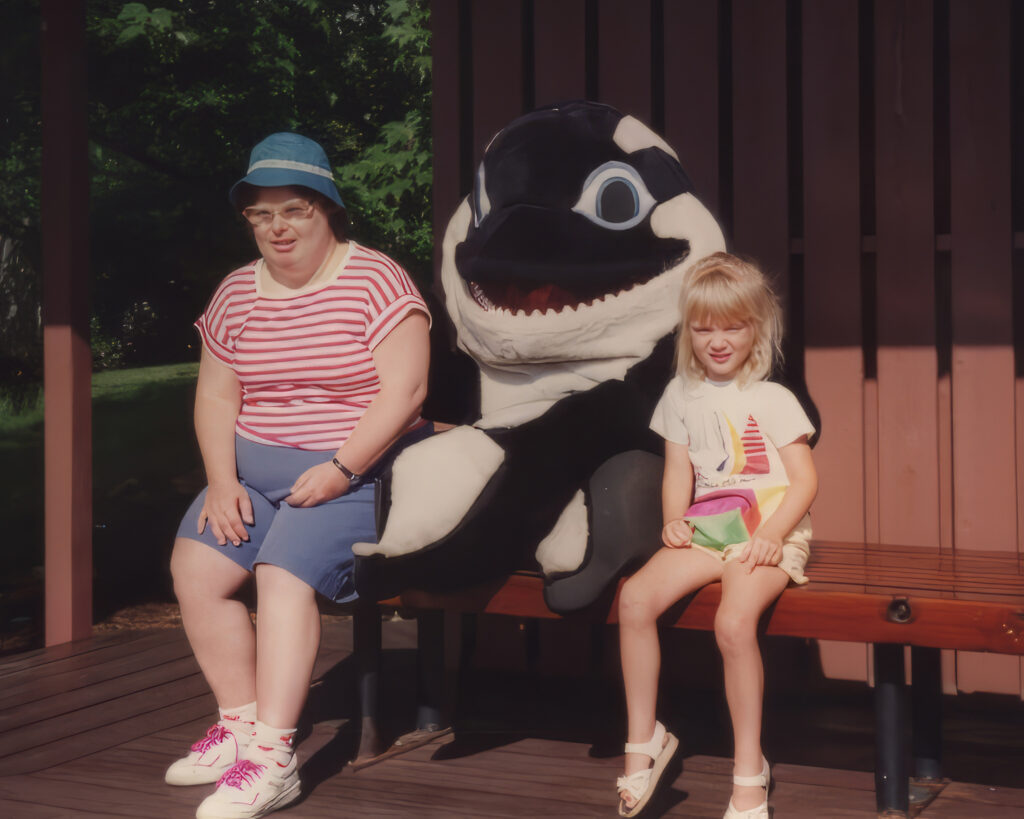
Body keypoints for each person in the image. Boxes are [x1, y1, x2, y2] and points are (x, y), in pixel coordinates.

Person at [165, 132, 431, 819]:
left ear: (327, 211)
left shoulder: (374, 279)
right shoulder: (234, 293)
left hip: (355, 477)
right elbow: (216, 395)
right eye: (261, 214)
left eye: (294, 210)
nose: (277, 227)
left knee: (283, 576)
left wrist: (343, 469)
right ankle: (240, 722)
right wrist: (221, 480)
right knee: (196, 566)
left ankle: (273, 759)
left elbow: (404, 392)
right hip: (252, 479)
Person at [615, 252, 818, 818]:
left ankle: (749, 769)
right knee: (634, 599)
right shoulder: (680, 394)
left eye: (733, 326)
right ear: (688, 331)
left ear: (758, 326)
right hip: (710, 528)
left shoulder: (772, 398)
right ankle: (643, 741)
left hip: (770, 531)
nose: (718, 340)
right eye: (704, 329)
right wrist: (673, 518)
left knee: (732, 622)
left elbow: (803, 480)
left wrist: (774, 535)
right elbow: (678, 469)